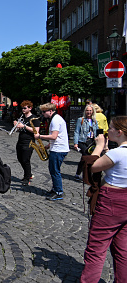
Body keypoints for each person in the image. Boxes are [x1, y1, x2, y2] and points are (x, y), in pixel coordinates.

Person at [80, 116, 127, 282]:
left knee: (96, 248)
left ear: (120, 132)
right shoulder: (118, 153)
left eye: (112, 128)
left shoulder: (117, 153)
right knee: (122, 249)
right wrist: (106, 149)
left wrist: (99, 146)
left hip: (111, 201)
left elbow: (94, 166)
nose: (108, 131)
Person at [34, 102, 69, 201]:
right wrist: (49, 146)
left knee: (55, 171)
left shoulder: (55, 120)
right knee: (53, 170)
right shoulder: (55, 119)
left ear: (50, 111)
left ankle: (58, 192)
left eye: (44, 112)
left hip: (59, 149)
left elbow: (54, 136)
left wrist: (39, 136)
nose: (43, 114)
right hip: (57, 148)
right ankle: (55, 189)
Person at [13, 101, 40, 186]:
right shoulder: (22, 118)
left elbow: (36, 131)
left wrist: (24, 126)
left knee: (25, 160)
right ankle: (29, 174)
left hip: (29, 142)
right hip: (20, 141)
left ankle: (27, 177)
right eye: (22, 108)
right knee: (20, 159)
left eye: (25, 108)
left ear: (30, 108)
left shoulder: (34, 119)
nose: (23, 110)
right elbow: (19, 130)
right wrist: (16, 126)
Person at [73, 104, 98, 179]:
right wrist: (75, 143)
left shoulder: (94, 121)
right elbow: (77, 131)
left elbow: (96, 131)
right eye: (87, 110)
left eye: (90, 110)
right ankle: (86, 175)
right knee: (86, 156)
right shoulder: (81, 120)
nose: (89, 112)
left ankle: (78, 174)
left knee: (84, 158)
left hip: (91, 141)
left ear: (93, 111)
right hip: (83, 140)